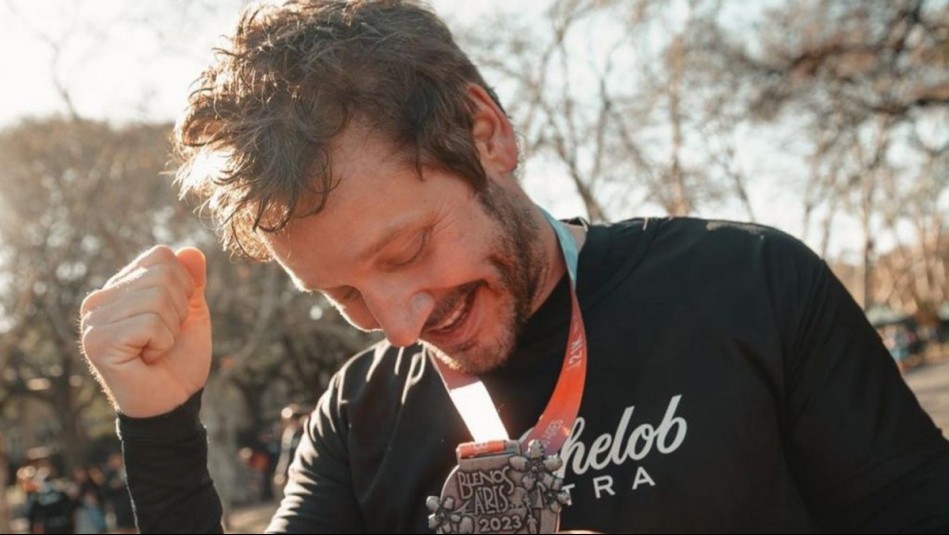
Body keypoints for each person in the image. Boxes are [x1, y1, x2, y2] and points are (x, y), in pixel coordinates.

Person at [78, 0, 949, 533]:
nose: (396, 324)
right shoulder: (356, 415)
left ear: (485, 133)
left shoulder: (749, 282)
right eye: (340, 293)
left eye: (405, 250)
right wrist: (157, 423)